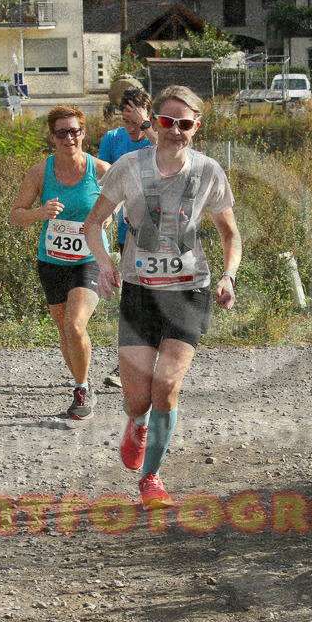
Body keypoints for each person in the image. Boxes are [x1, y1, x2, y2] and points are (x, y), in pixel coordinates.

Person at [84, 85, 242, 510]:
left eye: (185, 124)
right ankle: (136, 425)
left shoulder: (209, 172)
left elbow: (230, 234)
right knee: (138, 397)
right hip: (139, 293)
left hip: (190, 292)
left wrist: (228, 276)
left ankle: (151, 477)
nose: (176, 131)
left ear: (197, 127)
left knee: (166, 387)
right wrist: (104, 265)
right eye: (168, 122)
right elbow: (92, 223)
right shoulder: (127, 167)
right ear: (154, 121)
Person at [10, 106, 111, 420]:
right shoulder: (40, 172)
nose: (70, 137)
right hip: (51, 261)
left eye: (75, 131)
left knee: (75, 324)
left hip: (90, 259)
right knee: (63, 330)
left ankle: (81, 389)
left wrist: (108, 218)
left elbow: (122, 202)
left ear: (83, 133)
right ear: (52, 136)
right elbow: (15, 216)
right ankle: (83, 381)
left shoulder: (101, 170)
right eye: (62, 132)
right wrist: (40, 213)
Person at [96, 87, 158, 389]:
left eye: (136, 121)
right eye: (127, 121)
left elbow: (175, 155)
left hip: (163, 233)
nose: (131, 129)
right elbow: (104, 184)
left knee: (156, 297)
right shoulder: (112, 140)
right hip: (128, 233)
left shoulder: (159, 135)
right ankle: (131, 365)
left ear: (147, 113)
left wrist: (147, 127)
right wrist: (107, 211)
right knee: (134, 298)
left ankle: (153, 358)